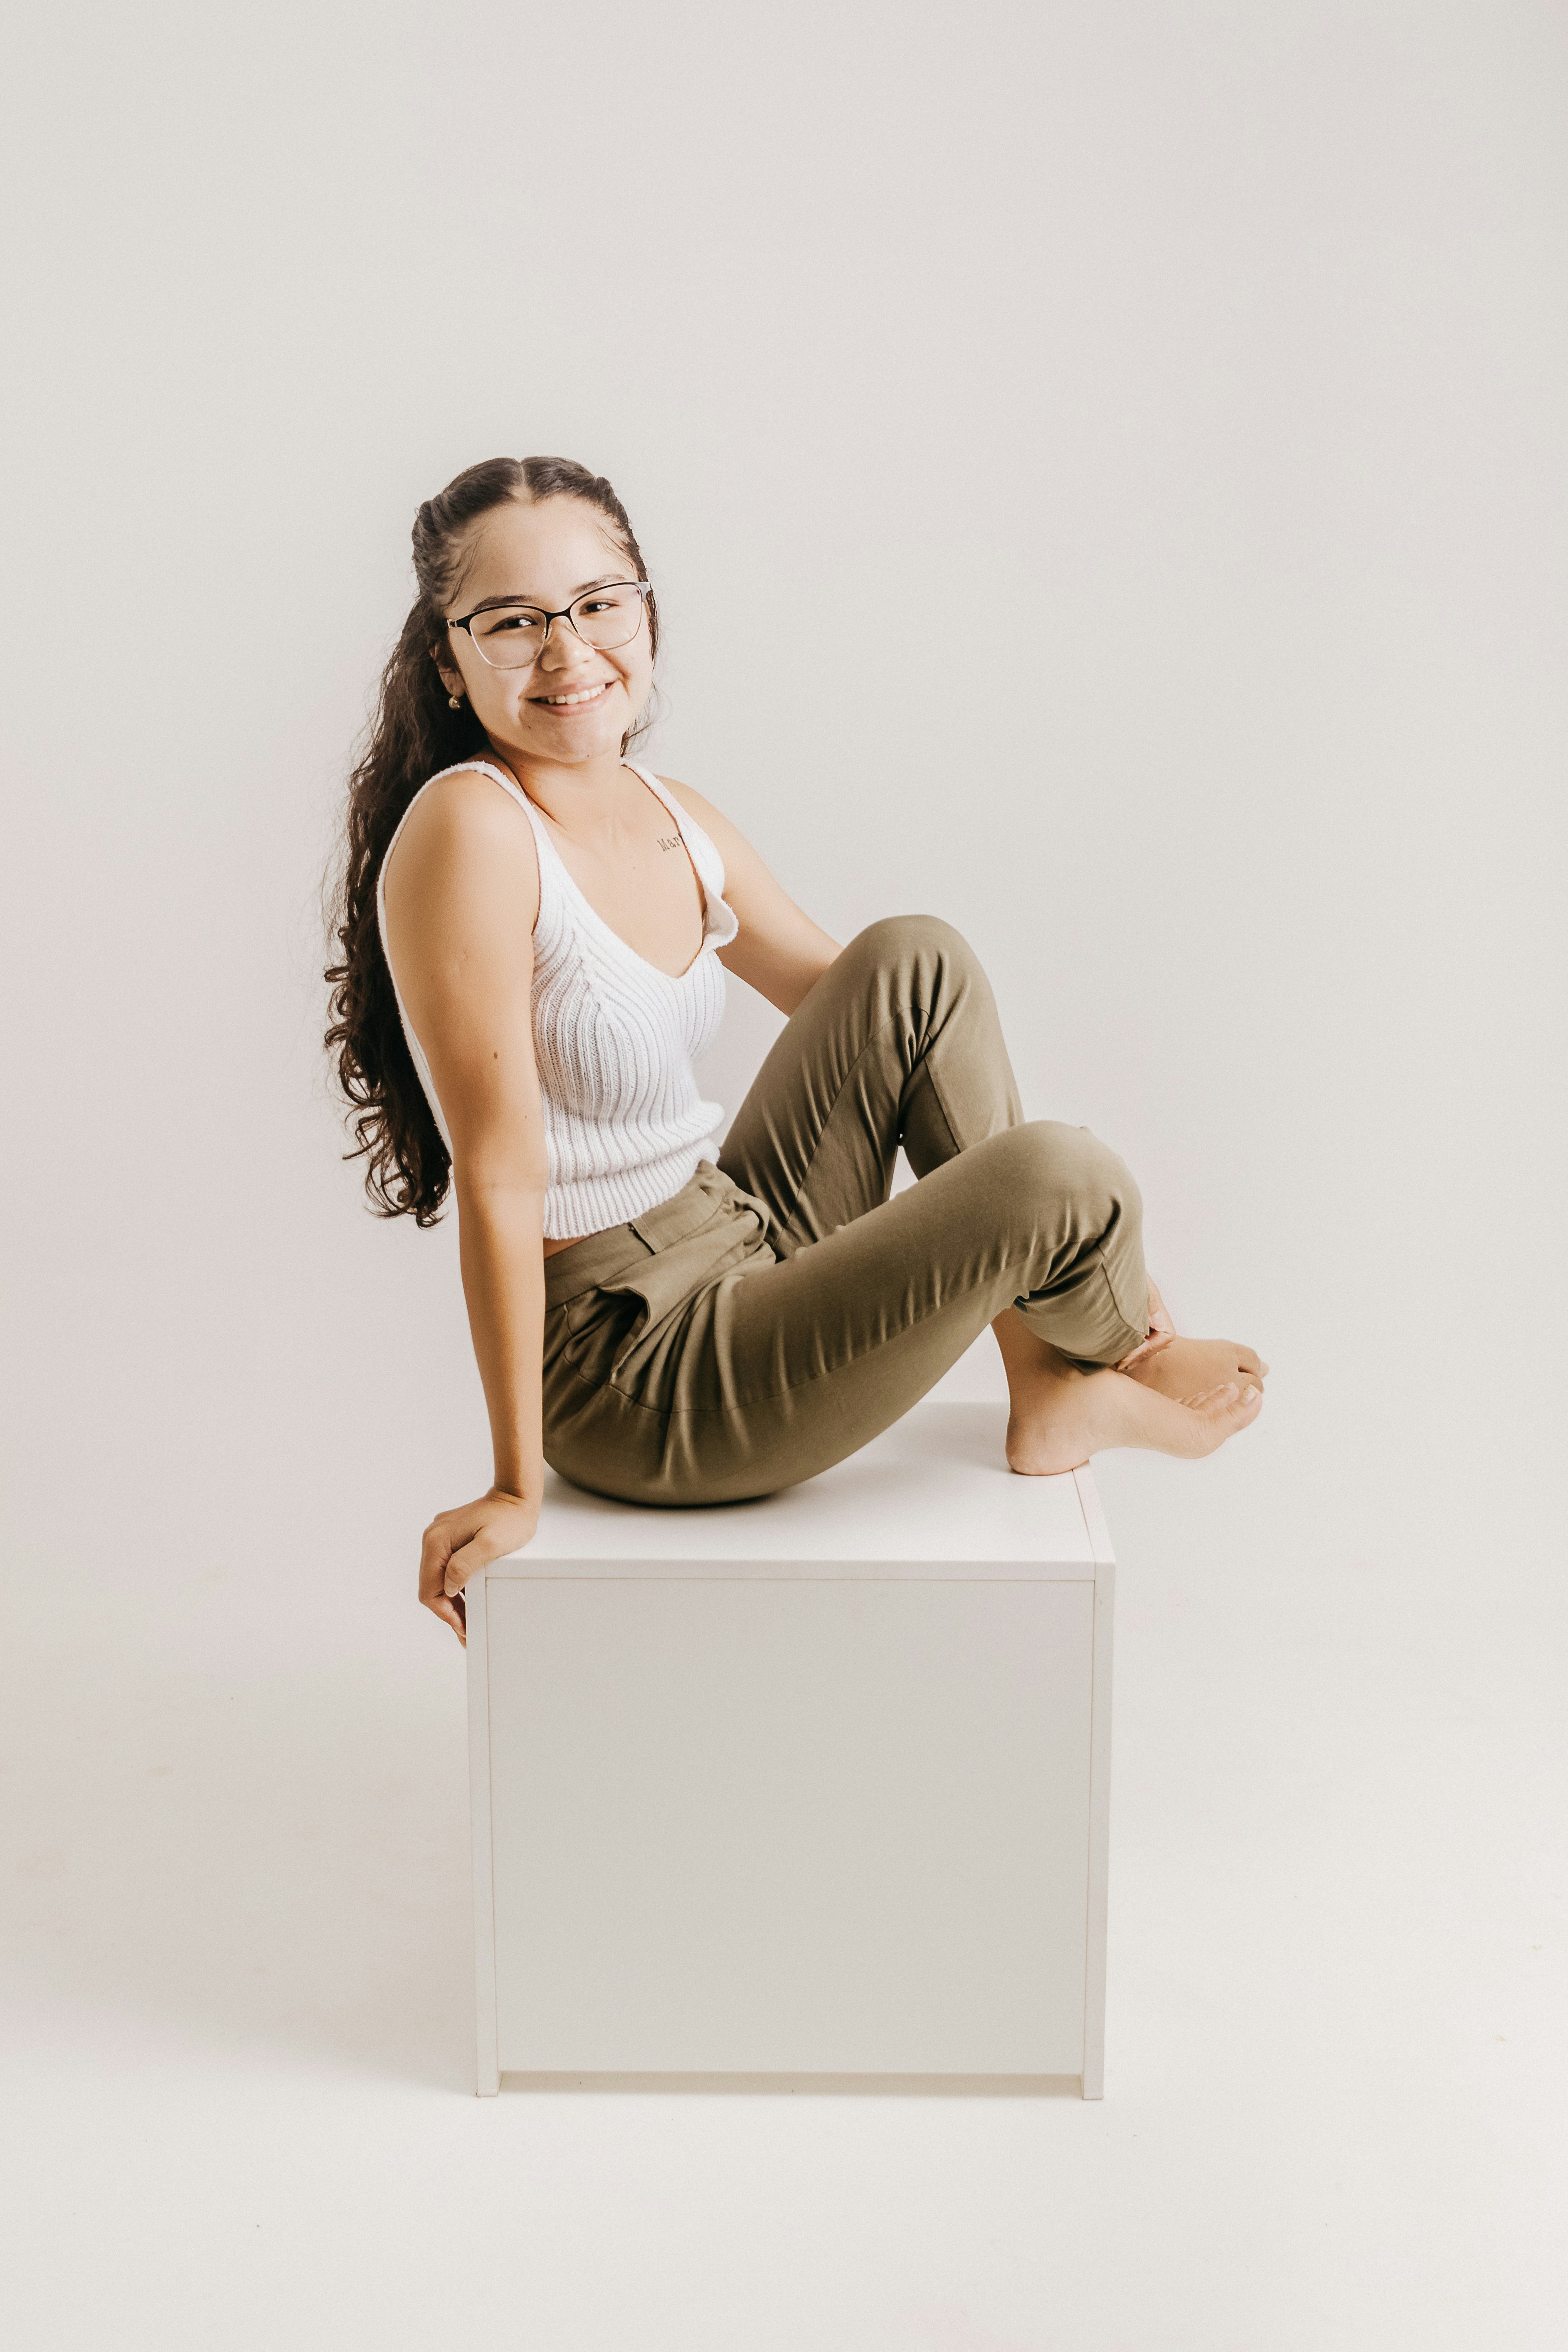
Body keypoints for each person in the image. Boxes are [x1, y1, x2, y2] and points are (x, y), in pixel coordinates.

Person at [326, 456, 1266, 1645]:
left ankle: (1055, 1373)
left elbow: (892, 1018)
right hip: (636, 1370)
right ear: (448, 660)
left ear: (647, 613)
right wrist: (517, 1483)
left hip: (738, 1235)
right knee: (1058, 1174)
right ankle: (1094, 1358)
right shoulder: (472, 828)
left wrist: (1116, 1295)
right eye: (513, 622)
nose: (567, 652)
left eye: (598, 602)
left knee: (916, 956)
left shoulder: (675, 815)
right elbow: (503, 1176)